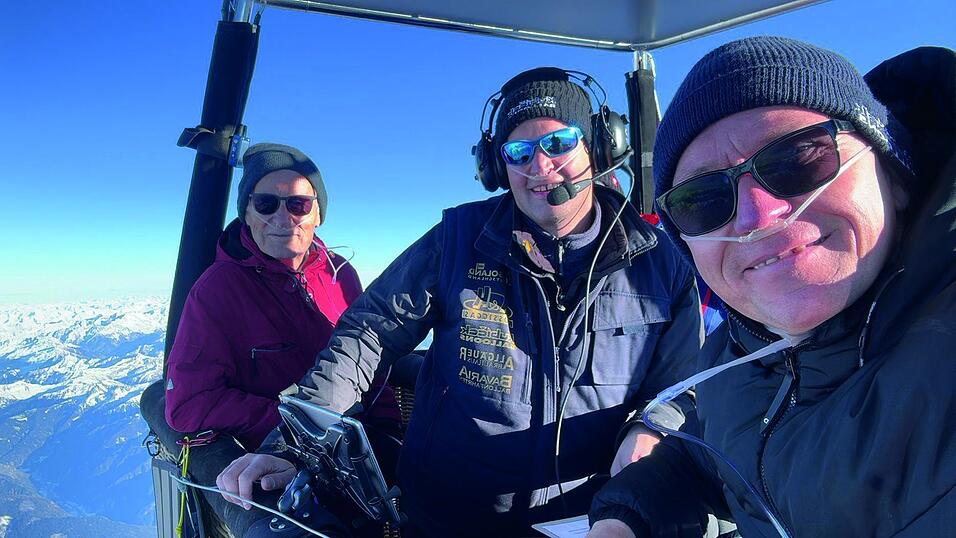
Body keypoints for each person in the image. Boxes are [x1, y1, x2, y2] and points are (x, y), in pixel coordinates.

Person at [216, 67, 703, 537]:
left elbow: (683, 385)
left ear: (598, 147)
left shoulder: (662, 265)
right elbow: (368, 334)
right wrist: (293, 446)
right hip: (447, 518)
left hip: (593, 519)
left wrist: (651, 430)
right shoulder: (457, 240)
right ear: (497, 166)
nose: (540, 166)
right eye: (518, 151)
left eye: (558, 143)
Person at [588, 37, 955, 537]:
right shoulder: (740, 355)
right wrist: (627, 515)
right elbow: (715, 460)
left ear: (892, 171)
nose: (757, 217)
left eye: (797, 159)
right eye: (702, 199)